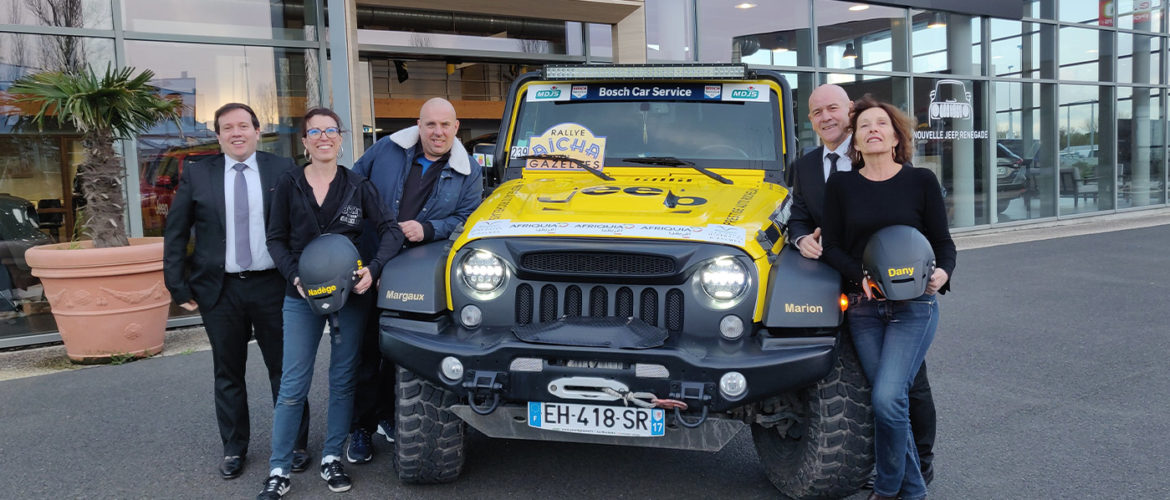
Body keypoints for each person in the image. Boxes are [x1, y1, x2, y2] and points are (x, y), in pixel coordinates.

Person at [787, 84, 937, 485]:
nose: (827, 117)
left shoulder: (877, 149)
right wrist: (801, 238)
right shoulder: (804, 167)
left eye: (833, 108)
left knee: (907, 383)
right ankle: (882, 466)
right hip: (834, 288)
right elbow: (798, 215)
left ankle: (920, 460)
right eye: (817, 113)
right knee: (860, 379)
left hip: (893, 291)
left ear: (850, 111)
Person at [257, 107, 405, 499]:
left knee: (343, 381)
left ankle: (331, 458)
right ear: (304, 141)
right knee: (293, 382)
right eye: (315, 132)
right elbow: (275, 239)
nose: (324, 137)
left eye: (331, 130)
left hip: (350, 297)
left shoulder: (358, 185)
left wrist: (373, 270)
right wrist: (294, 276)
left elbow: (390, 229)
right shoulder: (288, 185)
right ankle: (278, 467)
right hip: (300, 297)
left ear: (341, 139)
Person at [163, 102, 310, 480]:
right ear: (218, 136)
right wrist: (177, 286)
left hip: (273, 287)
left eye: (243, 125)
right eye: (227, 128)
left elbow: (301, 226)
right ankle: (234, 448)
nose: (236, 133)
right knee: (228, 373)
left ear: (258, 131)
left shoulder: (283, 169)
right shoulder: (198, 174)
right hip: (220, 290)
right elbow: (176, 232)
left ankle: (294, 443)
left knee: (285, 370)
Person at [820, 96, 956, 500]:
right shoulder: (841, 185)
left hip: (914, 307)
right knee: (888, 402)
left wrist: (944, 272)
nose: (873, 129)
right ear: (855, 143)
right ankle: (906, 489)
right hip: (864, 309)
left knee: (887, 396)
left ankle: (890, 488)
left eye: (881, 124)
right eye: (864, 126)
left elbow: (942, 243)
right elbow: (832, 247)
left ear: (896, 136)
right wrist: (858, 276)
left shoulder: (921, 181)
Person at [344, 97, 483, 464]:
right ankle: (359, 426)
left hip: (413, 271)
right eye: (430, 125)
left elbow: (467, 220)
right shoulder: (386, 149)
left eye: (445, 125)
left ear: (456, 127)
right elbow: (352, 186)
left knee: (400, 351)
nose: (438, 132)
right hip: (369, 261)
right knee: (363, 350)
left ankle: (391, 417)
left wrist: (427, 228)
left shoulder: (468, 170)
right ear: (418, 125)